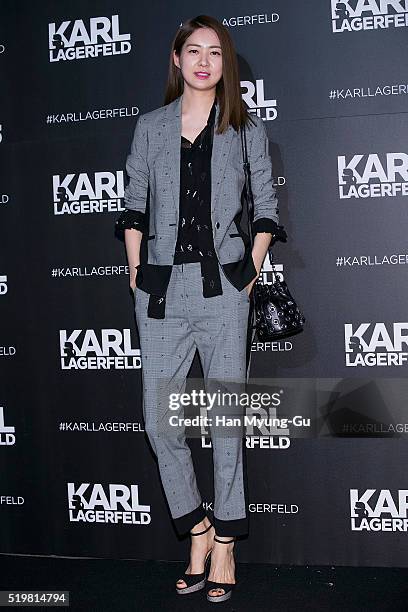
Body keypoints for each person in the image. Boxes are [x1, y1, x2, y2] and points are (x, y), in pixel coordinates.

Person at [115, 14, 280, 603]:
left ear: (223, 63)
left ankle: (226, 545)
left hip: (224, 291)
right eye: (194, 50)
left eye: (215, 51)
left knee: (227, 421)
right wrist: (137, 272)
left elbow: (266, 206)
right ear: (177, 59)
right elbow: (134, 203)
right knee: (160, 423)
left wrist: (250, 271)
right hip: (159, 292)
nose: (204, 60)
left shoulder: (243, 129)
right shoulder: (151, 127)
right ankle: (198, 528)